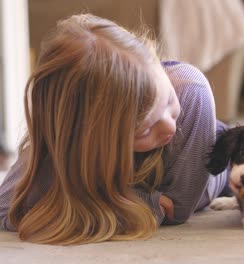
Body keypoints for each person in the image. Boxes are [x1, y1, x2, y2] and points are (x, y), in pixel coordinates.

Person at [0, 14, 229, 245]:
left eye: (168, 100)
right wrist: (141, 201)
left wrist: (100, 203)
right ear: (84, 140)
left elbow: (177, 208)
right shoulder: (63, 143)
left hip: (219, 176)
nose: (169, 126)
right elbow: (6, 209)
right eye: (144, 131)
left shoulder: (192, 92)